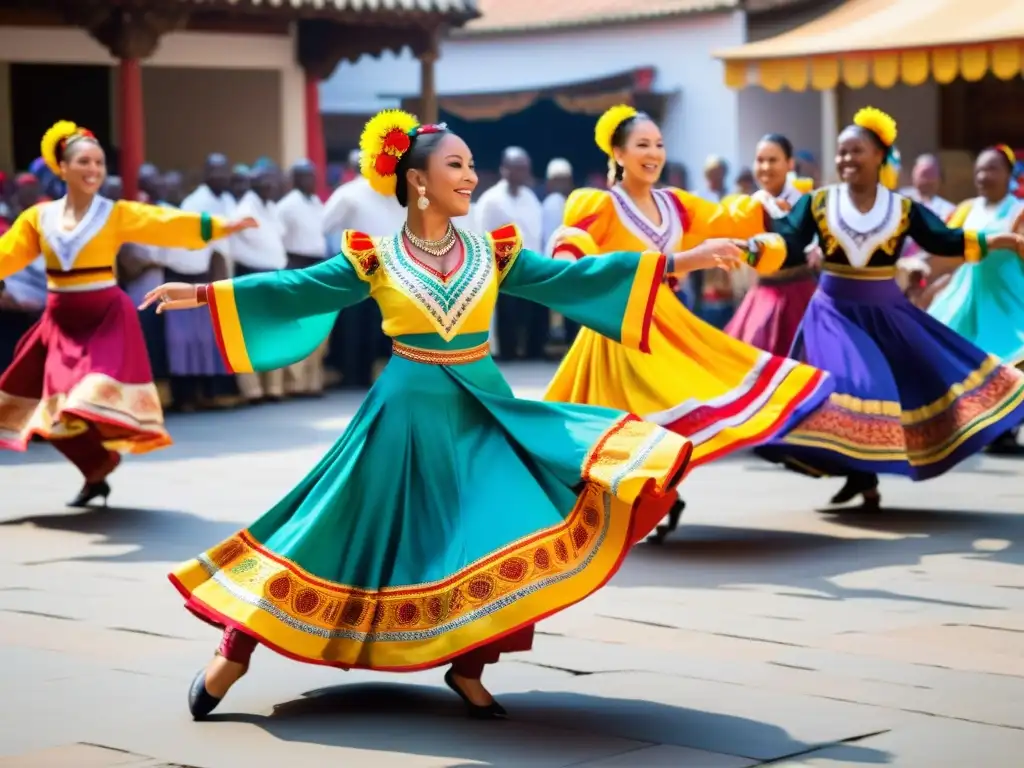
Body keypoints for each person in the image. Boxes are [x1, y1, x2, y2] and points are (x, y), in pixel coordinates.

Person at [142, 108, 756, 721]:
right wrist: (202, 293)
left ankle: (468, 667)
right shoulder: (374, 257)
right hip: (401, 416)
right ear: (417, 180)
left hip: (481, 409)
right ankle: (235, 648)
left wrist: (687, 260)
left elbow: (576, 276)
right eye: (455, 166)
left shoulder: (497, 252)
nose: (470, 178)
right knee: (331, 531)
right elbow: (296, 287)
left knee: (506, 529)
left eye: (470, 167)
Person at [545, 105, 833, 542]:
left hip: (668, 324)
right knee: (624, 421)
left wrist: (774, 199)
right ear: (618, 153)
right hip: (618, 330)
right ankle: (647, 497)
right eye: (642, 145)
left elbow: (725, 219)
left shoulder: (674, 204)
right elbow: (573, 244)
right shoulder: (599, 203)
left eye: (659, 144)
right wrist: (569, 261)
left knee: (677, 408)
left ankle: (658, 492)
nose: (653, 153)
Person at [754, 108, 1024, 509]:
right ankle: (859, 474)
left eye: (855, 151)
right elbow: (790, 241)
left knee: (902, 387)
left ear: (879, 155)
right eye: (841, 153)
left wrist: (998, 241)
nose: (846, 159)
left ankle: (863, 476)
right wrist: (755, 241)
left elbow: (944, 240)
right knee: (849, 388)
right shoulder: (818, 203)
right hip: (832, 314)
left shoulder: (901, 209)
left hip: (886, 314)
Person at [0, 120, 255, 506]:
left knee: (83, 398)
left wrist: (218, 226)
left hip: (104, 317)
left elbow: (162, 223)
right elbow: (8, 254)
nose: (93, 170)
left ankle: (101, 459)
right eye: (84, 162)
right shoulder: (39, 219)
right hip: (60, 323)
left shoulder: (113, 213)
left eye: (100, 163)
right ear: (63, 168)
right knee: (48, 413)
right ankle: (96, 469)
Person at [926, 145, 1024, 454]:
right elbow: (944, 250)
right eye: (979, 170)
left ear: (1009, 175)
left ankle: (1008, 425)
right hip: (968, 296)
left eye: (992, 169)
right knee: (967, 360)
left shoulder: (1018, 210)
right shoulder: (967, 209)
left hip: (1008, 298)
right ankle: (984, 425)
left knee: (1013, 361)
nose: (983, 176)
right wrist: (925, 279)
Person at [725, 133, 817, 355]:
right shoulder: (749, 205)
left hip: (801, 296)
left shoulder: (806, 202)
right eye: (760, 160)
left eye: (773, 160)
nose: (765, 167)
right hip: (761, 297)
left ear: (789, 164)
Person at [165, 155, 238, 412]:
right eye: (215, 172)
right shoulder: (195, 203)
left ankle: (211, 394)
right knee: (187, 342)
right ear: (205, 174)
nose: (221, 177)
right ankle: (187, 397)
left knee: (209, 342)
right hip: (195, 279)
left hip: (222, 278)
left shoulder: (227, 200)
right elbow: (201, 249)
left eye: (224, 171)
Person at [476, 147, 547, 360]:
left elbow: (537, 233)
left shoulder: (530, 197)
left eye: (525, 168)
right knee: (508, 313)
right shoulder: (492, 200)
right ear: (504, 169)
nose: (522, 173)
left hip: (531, 265)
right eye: (517, 168)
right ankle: (508, 353)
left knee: (534, 311)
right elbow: (482, 234)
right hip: (503, 267)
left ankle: (533, 352)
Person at [229, 165, 289, 404]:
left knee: (273, 332)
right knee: (251, 334)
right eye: (265, 182)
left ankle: (272, 388)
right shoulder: (244, 210)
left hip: (274, 274)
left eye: (272, 182)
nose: (271, 186)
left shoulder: (271, 207)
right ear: (254, 184)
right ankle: (252, 390)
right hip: (252, 275)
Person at [277, 160, 328, 397]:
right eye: (304, 177)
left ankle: (312, 381)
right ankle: (294, 384)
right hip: (296, 266)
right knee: (297, 326)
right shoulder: (286, 206)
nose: (311, 181)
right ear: (294, 180)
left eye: (312, 176)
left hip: (317, 266)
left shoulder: (317, 202)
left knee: (316, 326)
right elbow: (278, 242)